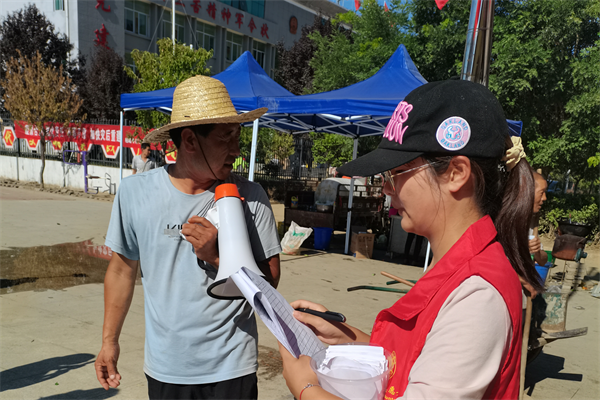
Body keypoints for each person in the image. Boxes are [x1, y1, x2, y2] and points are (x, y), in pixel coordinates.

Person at [278, 79, 543, 400]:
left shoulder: (478, 294)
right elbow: (419, 358)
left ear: (456, 173)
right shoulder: (460, 267)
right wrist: (346, 337)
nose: (386, 187)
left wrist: (306, 387)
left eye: (397, 172)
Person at [95, 76, 282, 400]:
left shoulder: (251, 197)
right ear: (190, 140)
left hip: (232, 367)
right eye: (225, 138)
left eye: (237, 137)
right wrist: (109, 341)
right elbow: (122, 271)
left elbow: (271, 282)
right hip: (166, 369)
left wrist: (218, 257)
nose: (236, 151)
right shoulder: (135, 192)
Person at [529, 171, 548, 266]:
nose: (544, 198)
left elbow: (543, 260)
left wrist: (537, 251)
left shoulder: (532, 220)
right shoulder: (506, 221)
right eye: (541, 193)